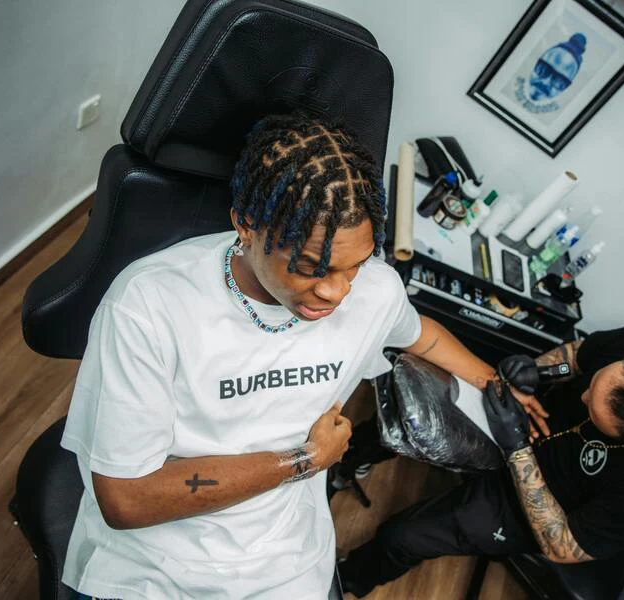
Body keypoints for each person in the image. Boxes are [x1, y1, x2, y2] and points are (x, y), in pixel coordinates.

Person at [58, 113, 496, 600]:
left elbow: (421, 336)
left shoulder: (376, 291)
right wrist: (307, 460)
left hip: (286, 560)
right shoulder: (150, 305)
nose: (336, 292)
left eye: (356, 265)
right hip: (160, 565)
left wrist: (497, 386)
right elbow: (127, 500)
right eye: (311, 267)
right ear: (245, 224)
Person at [338, 325, 624, 597]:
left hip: (537, 506)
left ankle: (345, 581)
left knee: (401, 536)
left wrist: (517, 450)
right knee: (415, 418)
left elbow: (562, 546)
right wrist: (539, 371)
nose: (584, 397)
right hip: (525, 419)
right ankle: (344, 462)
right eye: (594, 386)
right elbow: (576, 356)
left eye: (594, 410)